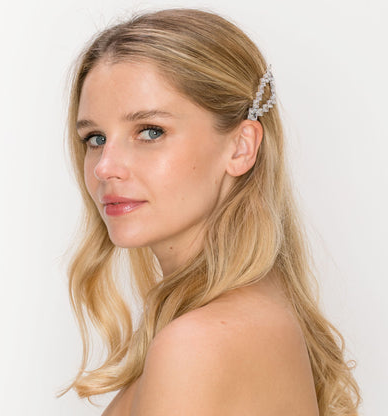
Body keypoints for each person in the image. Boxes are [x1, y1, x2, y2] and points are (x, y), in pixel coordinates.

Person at [57, 8, 361, 415]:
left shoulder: (196, 343)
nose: (105, 167)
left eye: (150, 131)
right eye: (95, 138)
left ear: (241, 147)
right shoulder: (256, 313)